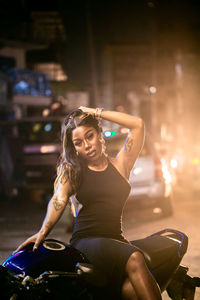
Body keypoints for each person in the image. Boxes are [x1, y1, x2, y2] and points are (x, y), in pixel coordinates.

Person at [14, 107, 162, 300]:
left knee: (134, 290)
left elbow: (138, 124)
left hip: (115, 241)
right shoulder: (73, 170)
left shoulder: (121, 165)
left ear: (99, 134)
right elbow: (59, 199)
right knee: (135, 257)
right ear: (74, 147)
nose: (87, 145)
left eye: (90, 136)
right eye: (78, 143)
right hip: (86, 242)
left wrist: (95, 112)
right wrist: (43, 230)